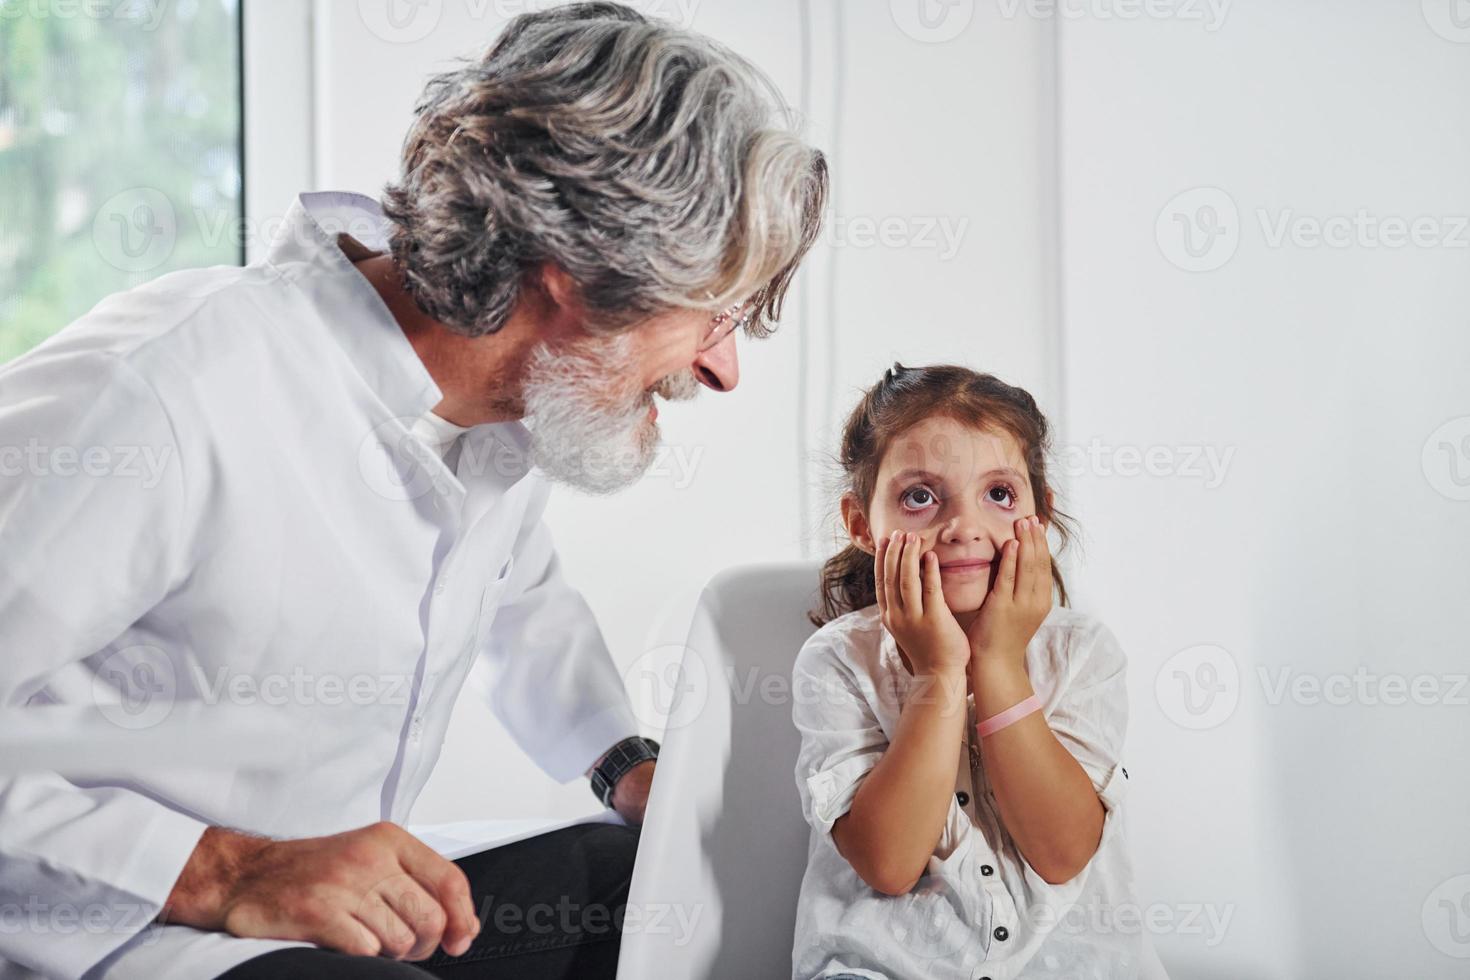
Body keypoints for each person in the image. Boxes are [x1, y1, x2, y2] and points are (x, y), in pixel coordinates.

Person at [0, 4, 827, 979]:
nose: (724, 369)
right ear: (579, 273)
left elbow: (520, 594)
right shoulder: (174, 386)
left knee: (660, 890)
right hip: (112, 929)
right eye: (714, 314)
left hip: (310, 906)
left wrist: (625, 764)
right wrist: (224, 867)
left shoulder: (489, 413)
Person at [790, 364, 1141, 979]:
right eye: (920, 496)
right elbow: (890, 863)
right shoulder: (837, 661)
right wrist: (939, 674)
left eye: (999, 494)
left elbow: (1062, 854)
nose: (963, 528)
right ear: (862, 525)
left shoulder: (1082, 652)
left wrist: (999, 663)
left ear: (1042, 512)